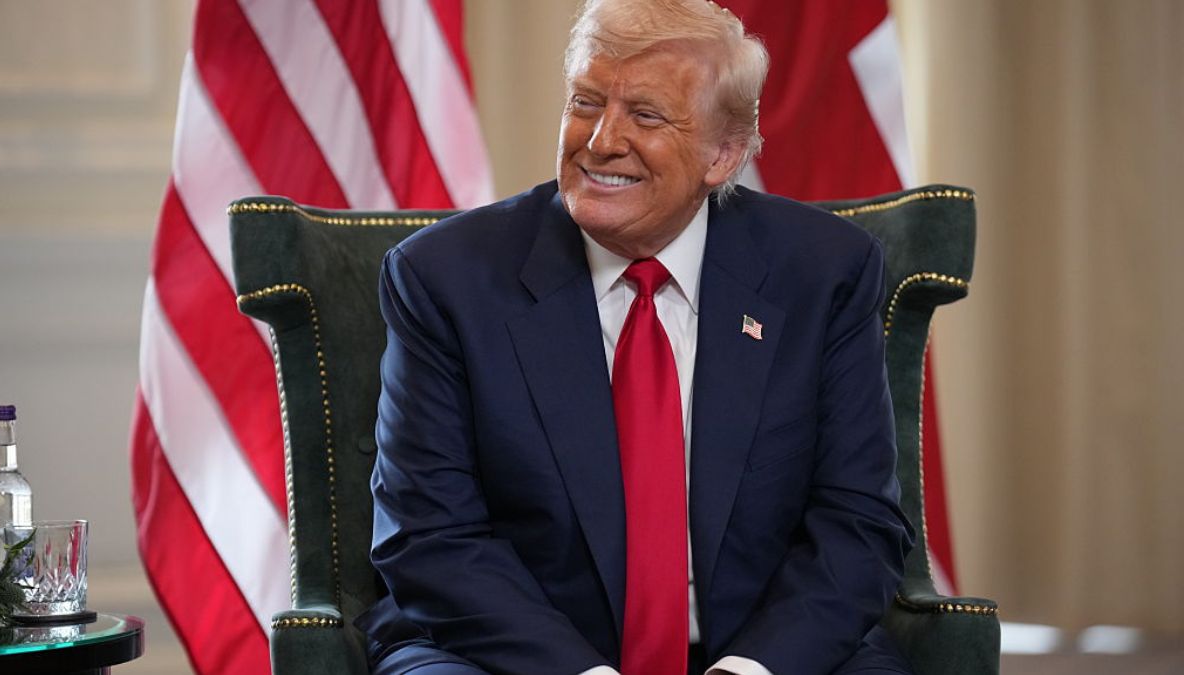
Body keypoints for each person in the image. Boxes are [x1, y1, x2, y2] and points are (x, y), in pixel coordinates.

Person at [356, 1, 914, 673]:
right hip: (509, 652)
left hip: (757, 649)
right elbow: (430, 537)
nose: (600, 141)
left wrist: (749, 670)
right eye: (586, 102)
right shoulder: (447, 278)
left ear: (723, 154)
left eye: (645, 116)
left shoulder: (822, 274)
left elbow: (856, 524)